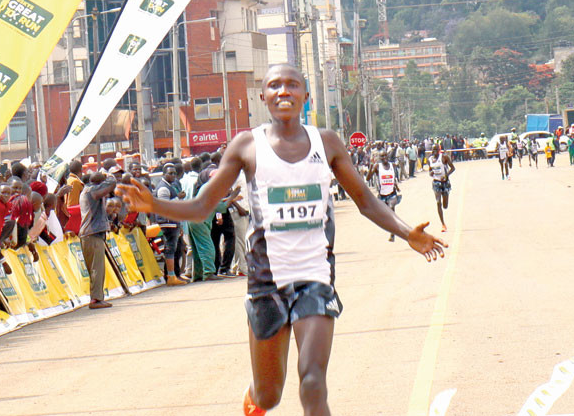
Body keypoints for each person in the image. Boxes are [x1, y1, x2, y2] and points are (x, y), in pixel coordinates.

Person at [116, 64, 446, 415]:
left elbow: (365, 199)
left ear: (306, 95)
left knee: (312, 381)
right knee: (268, 396)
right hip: (266, 283)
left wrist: (405, 231)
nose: (283, 91)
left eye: (292, 85)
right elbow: (201, 207)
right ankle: (254, 399)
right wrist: (155, 205)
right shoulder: (247, 146)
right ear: (263, 96)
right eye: (275, 85)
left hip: (315, 279)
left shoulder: (326, 143)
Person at [79, 171, 117, 308]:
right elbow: (112, 183)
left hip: (89, 234)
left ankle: (96, 297)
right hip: (93, 233)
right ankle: (96, 299)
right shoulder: (92, 191)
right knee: (97, 268)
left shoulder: (87, 191)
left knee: (95, 268)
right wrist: (109, 175)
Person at [153, 163, 188, 285]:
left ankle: (173, 275)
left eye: (174, 173)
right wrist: (178, 197)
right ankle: (171, 276)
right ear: (164, 174)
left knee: (176, 249)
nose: (173, 175)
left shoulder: (170, 186)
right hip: (168, 223)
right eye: (170, 173)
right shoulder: (163, 188)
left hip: (173, 222)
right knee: (170, 249)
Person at [366, 152, 400, 242]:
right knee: (385, 215)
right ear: (380, 158)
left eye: (385, 155)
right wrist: (371, 166)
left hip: (392, 193)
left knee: (391, 209)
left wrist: (396, 186)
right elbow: (368, 178)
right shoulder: (377, 166)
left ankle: (393, 234)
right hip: (382, 195)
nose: (384, 157)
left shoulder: (392, 165)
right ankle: (391, 228)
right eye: (382, 156)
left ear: (388, 156)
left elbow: (393, 177)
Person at [428, 144, 455, 232]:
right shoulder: (430, 159)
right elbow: (430, 170)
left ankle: (445, 201)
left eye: (436, 150)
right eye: (433, 150)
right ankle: (443, 224)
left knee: (445, 205)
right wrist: (431, 173)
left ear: (439, 150)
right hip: (436, 182)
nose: (434, 152)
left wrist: (446, 175)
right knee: (438, 202)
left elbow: (453, 168)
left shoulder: (444, 157)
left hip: (445, 183)